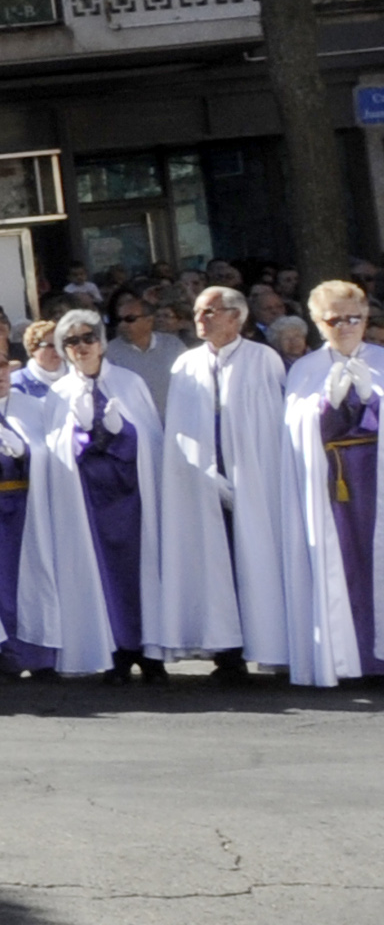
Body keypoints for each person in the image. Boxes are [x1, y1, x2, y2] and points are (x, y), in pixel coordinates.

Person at [0, 342, 106, 679]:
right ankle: (6, 657)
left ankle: (42, 656)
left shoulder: (36, 408)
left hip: (30, 509)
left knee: (38, 577)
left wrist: (25, 452)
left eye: (3, 365)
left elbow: (58, 453)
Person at [154, 285, 289, 681]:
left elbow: (269, 423)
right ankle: (226, 649)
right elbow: (181, 428)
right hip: (203, 482)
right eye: (197, 311)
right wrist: (199, 471)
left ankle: (266, 640)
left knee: (255, 556)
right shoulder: (186, 365)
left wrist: (247, 470)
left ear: (236, 316)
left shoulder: (262, 359)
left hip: (252, 476)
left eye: (210, 311)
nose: (201, 318)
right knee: (214, 562)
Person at [48, 308, 165, 683]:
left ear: (101, 342)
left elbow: (150, 439)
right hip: (87, 503)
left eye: (88, 338)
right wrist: (78, 434)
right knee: (101, 576)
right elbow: (54, 451)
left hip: (132, 498)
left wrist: (124, 431)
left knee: (141, 572)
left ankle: (150, 652)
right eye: (71, 341)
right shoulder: (58, 394)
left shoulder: (130, 383)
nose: (81, 347)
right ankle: (114, 651)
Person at [283, 281, 384, 683]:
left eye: (353, 318)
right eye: (333, 319)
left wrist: (372, 399)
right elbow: (298, 426)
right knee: (340, 568)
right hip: (332, 486)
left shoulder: (380, 359)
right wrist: (327, 403)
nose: (344, 327)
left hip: (376, 483)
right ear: (318, 324)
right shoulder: (306, 369)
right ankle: (346, 658)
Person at [105, 290, 187, 419]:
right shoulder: (109, 352)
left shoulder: (173, 345)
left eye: (129, 319)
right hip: (135, 430)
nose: (122, 324)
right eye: (119, 320)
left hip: (175, 423)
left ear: (149, 320)